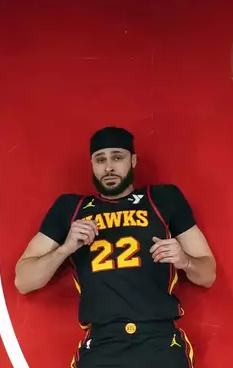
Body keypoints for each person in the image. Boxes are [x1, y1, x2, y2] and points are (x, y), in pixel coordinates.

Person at [14, 126, 217, 367]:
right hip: (102, 342)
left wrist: (185, 261)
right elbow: (23, 281)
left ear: (133, 160)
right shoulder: (71, 208)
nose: (108, 167)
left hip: (160, 340)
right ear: (92, 164)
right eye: (100, 160)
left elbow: (208, 275)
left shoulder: (163, 199)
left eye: (117, 157)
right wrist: (65, 248)